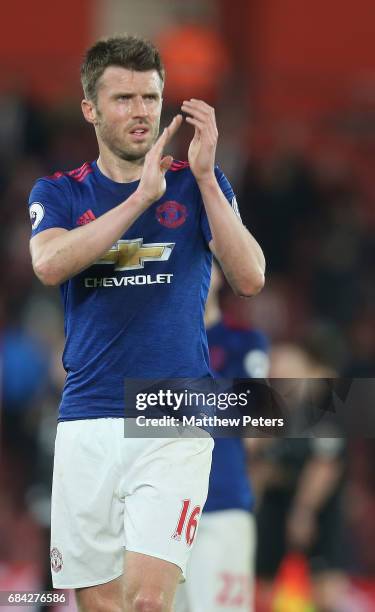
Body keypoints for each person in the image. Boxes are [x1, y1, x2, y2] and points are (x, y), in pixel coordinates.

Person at [28, 35, 265, 612]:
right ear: (91, 109)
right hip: (87, 412)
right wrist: (138, 201)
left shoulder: (196, 182)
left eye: (151, 96)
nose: (140, 111)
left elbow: (251, 276)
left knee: (148, 603)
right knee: (99, 603)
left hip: (172, 409)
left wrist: (209, 178)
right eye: (124, 98)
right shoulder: (60, 191)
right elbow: (49, 263)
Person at [175, 263, 269, 612]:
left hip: (220, 501)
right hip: (161, 502)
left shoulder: (245, 342)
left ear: (218, 273)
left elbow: (253, 417)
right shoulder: (154, 341)